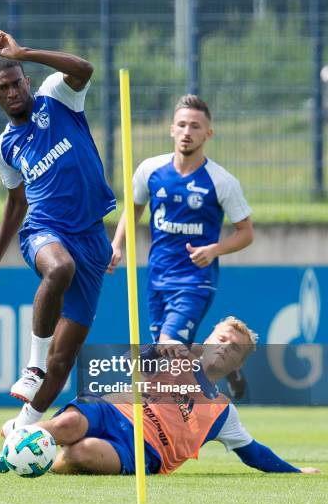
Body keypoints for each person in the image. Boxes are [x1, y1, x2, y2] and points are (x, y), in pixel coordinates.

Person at [0, 30, 116, 429]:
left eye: (17, 83)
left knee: (65, 358)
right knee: (59, 269)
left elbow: (85, 69)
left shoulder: (57, 96)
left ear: (27, 82)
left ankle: (24, 426)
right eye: (3, 88)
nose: (13, 91)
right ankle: (32, 367)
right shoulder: (4, 148)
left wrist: (25, 52)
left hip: (92, 241)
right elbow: (17, 202)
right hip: (44, 232)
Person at [0, 317, 319, 476]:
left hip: (143, 450)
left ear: (239, 364)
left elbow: (253, 453)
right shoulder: (175, 355)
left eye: (234, 348)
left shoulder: (223, 412)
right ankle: (15, 443)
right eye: (220, 339)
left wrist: (295, 471)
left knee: (84, 453)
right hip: (112, 409)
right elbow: (128, 362)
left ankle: (37, 459)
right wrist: (155, 349)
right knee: (68, 423)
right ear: (207, 339)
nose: (223, 348)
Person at [108, 95, 254, 397]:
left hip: (195, 281)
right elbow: (133, 209)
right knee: (172, 351)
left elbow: (246, 233)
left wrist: (214, 250)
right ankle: (231, 370)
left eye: (196, 126)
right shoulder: (150, 170)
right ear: (171, 129)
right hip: (157, 276)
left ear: (207, 134)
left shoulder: (221, 181)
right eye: (183, 124)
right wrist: (117, 245)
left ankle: (163, 406)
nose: (188, 131)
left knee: (166, 348)